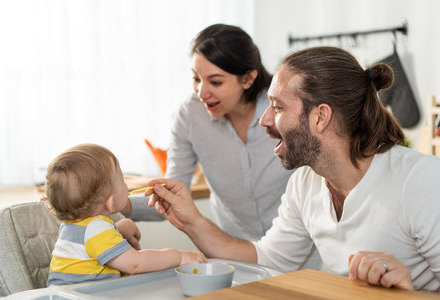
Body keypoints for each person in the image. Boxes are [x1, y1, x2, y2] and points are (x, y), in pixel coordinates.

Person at [144, 46, 440, 291]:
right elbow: (268, 258)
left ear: (321, 117)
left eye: (278, 106)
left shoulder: (421, 181)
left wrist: (408, 292)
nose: (264, 120)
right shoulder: (305, 184)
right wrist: (191, 221)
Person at [126, 24, 300, 243]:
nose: (201, 92)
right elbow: (171, 195)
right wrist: (119, 204)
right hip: (234, 250)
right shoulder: (190, 116)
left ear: (248, 79)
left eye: (215, 82)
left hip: (297, 250)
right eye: (196, 79)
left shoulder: (286, 109)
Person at [45, 144, 206, 286]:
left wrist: (118, 229)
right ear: (110, 201)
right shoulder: (96, 228)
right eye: (122, 180)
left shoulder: (74, 226)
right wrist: (179, 256)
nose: (126, 186)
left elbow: (93, 247)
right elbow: (136, 264)